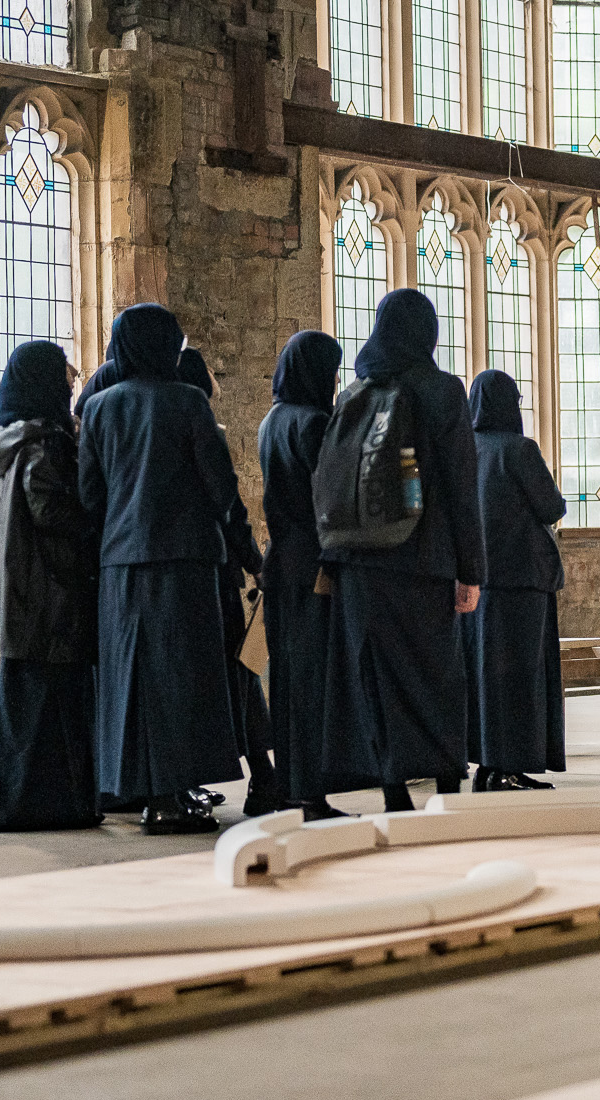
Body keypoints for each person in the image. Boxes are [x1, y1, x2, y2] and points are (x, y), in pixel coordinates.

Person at [78, 304, 242, 833]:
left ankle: (146, 791)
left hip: (120, 563)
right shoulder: (189, 401)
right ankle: (171, 797)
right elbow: (220, 487)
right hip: (183, 560)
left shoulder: (98, 408)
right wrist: (243, 549)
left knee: (131, 680)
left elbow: (90, 496)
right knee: (181, 678)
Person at [318, 289, 486, 808]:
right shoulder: (443, 390)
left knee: (378, 680)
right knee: (438, 679)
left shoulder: (354, 392)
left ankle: (395, 792)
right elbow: (462, 487)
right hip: (423, 561)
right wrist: (471, 571)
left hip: (359, 564)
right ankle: (447, 787)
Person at [0, 341, 101, 831]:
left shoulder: (8, 444)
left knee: (25, 710)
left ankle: (24, 803)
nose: (70, 391)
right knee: (54, 707)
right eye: (65, 381)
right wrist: (94, 524)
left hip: (21, 595)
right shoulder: (43, 445)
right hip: (50, 593)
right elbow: (51, 511)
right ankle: (53, 805)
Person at [178, 346, 280, 816]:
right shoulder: (202, 426)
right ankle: (262, 775)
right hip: (212, 570)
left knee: (232, 676)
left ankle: (257, 775)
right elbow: (228, 507)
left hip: (194, 571)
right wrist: (254, 561)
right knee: (240, 674)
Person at [257, 330, 353, 820]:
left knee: (287, 683)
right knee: (314, 683)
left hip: (280, 563)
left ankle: (289, 786)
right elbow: (329, 498)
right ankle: (312, 795)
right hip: (314, 564)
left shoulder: (271, 420)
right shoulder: (314, 423)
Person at [460, 370, 567, 792]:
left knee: (484, 677)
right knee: (522, 678)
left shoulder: (465, 448)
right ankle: (510, 768)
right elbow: (551, 507)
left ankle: (487, 766)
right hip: (522, 582)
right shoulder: (519, 449)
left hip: (476, 582)